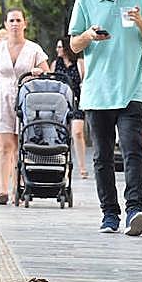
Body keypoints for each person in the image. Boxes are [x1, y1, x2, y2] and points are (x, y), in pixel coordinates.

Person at [68, 0, 142, 237]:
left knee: (134, 151)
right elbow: (73, 45)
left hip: (132, 90)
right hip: (97, 93)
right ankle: (109, 214)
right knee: (102, 157)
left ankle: (135, 209)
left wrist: (140, 21)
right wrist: (88, 35)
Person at [0, 9, 50, 204]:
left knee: (20, 147)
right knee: (5, 146)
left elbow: (49, 75)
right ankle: (2, 190)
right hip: (2, 99)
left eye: (18, 20)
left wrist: (39, 73)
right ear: (5, 24)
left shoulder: (34, 49)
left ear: (25, 24)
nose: (14, 24)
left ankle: (18, 188)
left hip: (26, 100)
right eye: (11, 20)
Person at [51, 37, 87, 179]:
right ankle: (63, 166)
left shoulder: (80, 64)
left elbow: (85, 82)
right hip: (60, 103)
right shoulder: (55, 64)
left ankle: (82, 167)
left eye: (60, 47)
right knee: (62, 135)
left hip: (77, 101)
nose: (58, 50)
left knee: (77, 133)